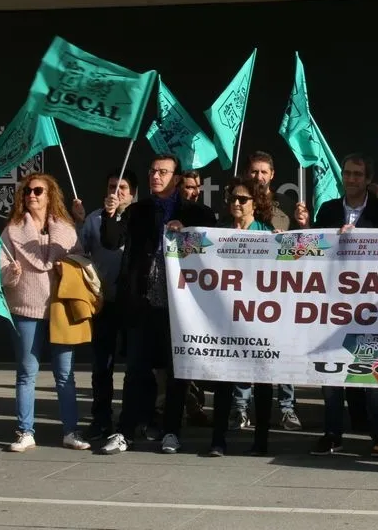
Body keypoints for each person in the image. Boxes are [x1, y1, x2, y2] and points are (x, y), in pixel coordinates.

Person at [99, 154, 216, 456]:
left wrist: (187, 231)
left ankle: (172, 432)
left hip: (180, 308)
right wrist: (111, 215)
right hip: (141, 304)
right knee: (136, 370)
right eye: (152, 171)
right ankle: (124, 430)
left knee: (177, 373)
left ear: (177, 178)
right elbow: (112, 241)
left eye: (163, 172)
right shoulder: (137, 210)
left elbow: (210, 245)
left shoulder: (197, 212)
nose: (156, 176)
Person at [299, 153, 378, 458]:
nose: (351, 179)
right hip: (333, 306)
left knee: (374, 376)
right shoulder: (328, 210)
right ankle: (331, 435)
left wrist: (361, 238)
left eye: (357, 174)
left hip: (372, 305)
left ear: (368, 179)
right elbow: (313, 250)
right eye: (347, 173)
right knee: (331, 377)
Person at [0, 173, 89, 452]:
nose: (32, 195)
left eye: (38, 190)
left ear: (50, 195)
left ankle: (71, 431)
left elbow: (82, 260)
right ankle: (25, 431)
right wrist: (10, 272)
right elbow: (0, 266)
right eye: (27, 191)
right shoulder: (12, 229)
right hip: (25, 309)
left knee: (65, 374)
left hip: (60, 309)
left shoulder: (66, 229)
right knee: (27, 372)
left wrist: (70, 265)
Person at [231, 151, 301, 432]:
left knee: (282, 353)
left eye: (264, 172)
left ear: (272, 175)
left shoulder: (286, 205)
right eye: (254, 171)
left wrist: (303, 224)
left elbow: (298, 246)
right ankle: (241, 408)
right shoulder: (238, 201)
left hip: (279, 294)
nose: (258, 176)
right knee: (245, 353)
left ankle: (286, 409)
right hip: (244, 294)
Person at [209, 177, 276, 456]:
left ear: (255, 204)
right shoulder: (218, 232)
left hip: (259, 317)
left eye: (243, 199)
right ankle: (217, 440)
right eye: (233, 198)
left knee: (262, 379)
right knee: (224, 378)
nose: (236, 203)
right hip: (227, 316)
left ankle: (260, 440)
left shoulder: (268, 233)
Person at [72, 168, 138, 441]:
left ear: (133, 194)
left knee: (135, 368)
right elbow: (80, 252)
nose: (116, 192)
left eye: (122, 188)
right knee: (102, 366)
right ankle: (101, 418)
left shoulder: (140, 218)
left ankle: (131, 420)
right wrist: (77, 223)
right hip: (103, 303)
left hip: (133, 303)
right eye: (112, 187)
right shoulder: (94, 219)